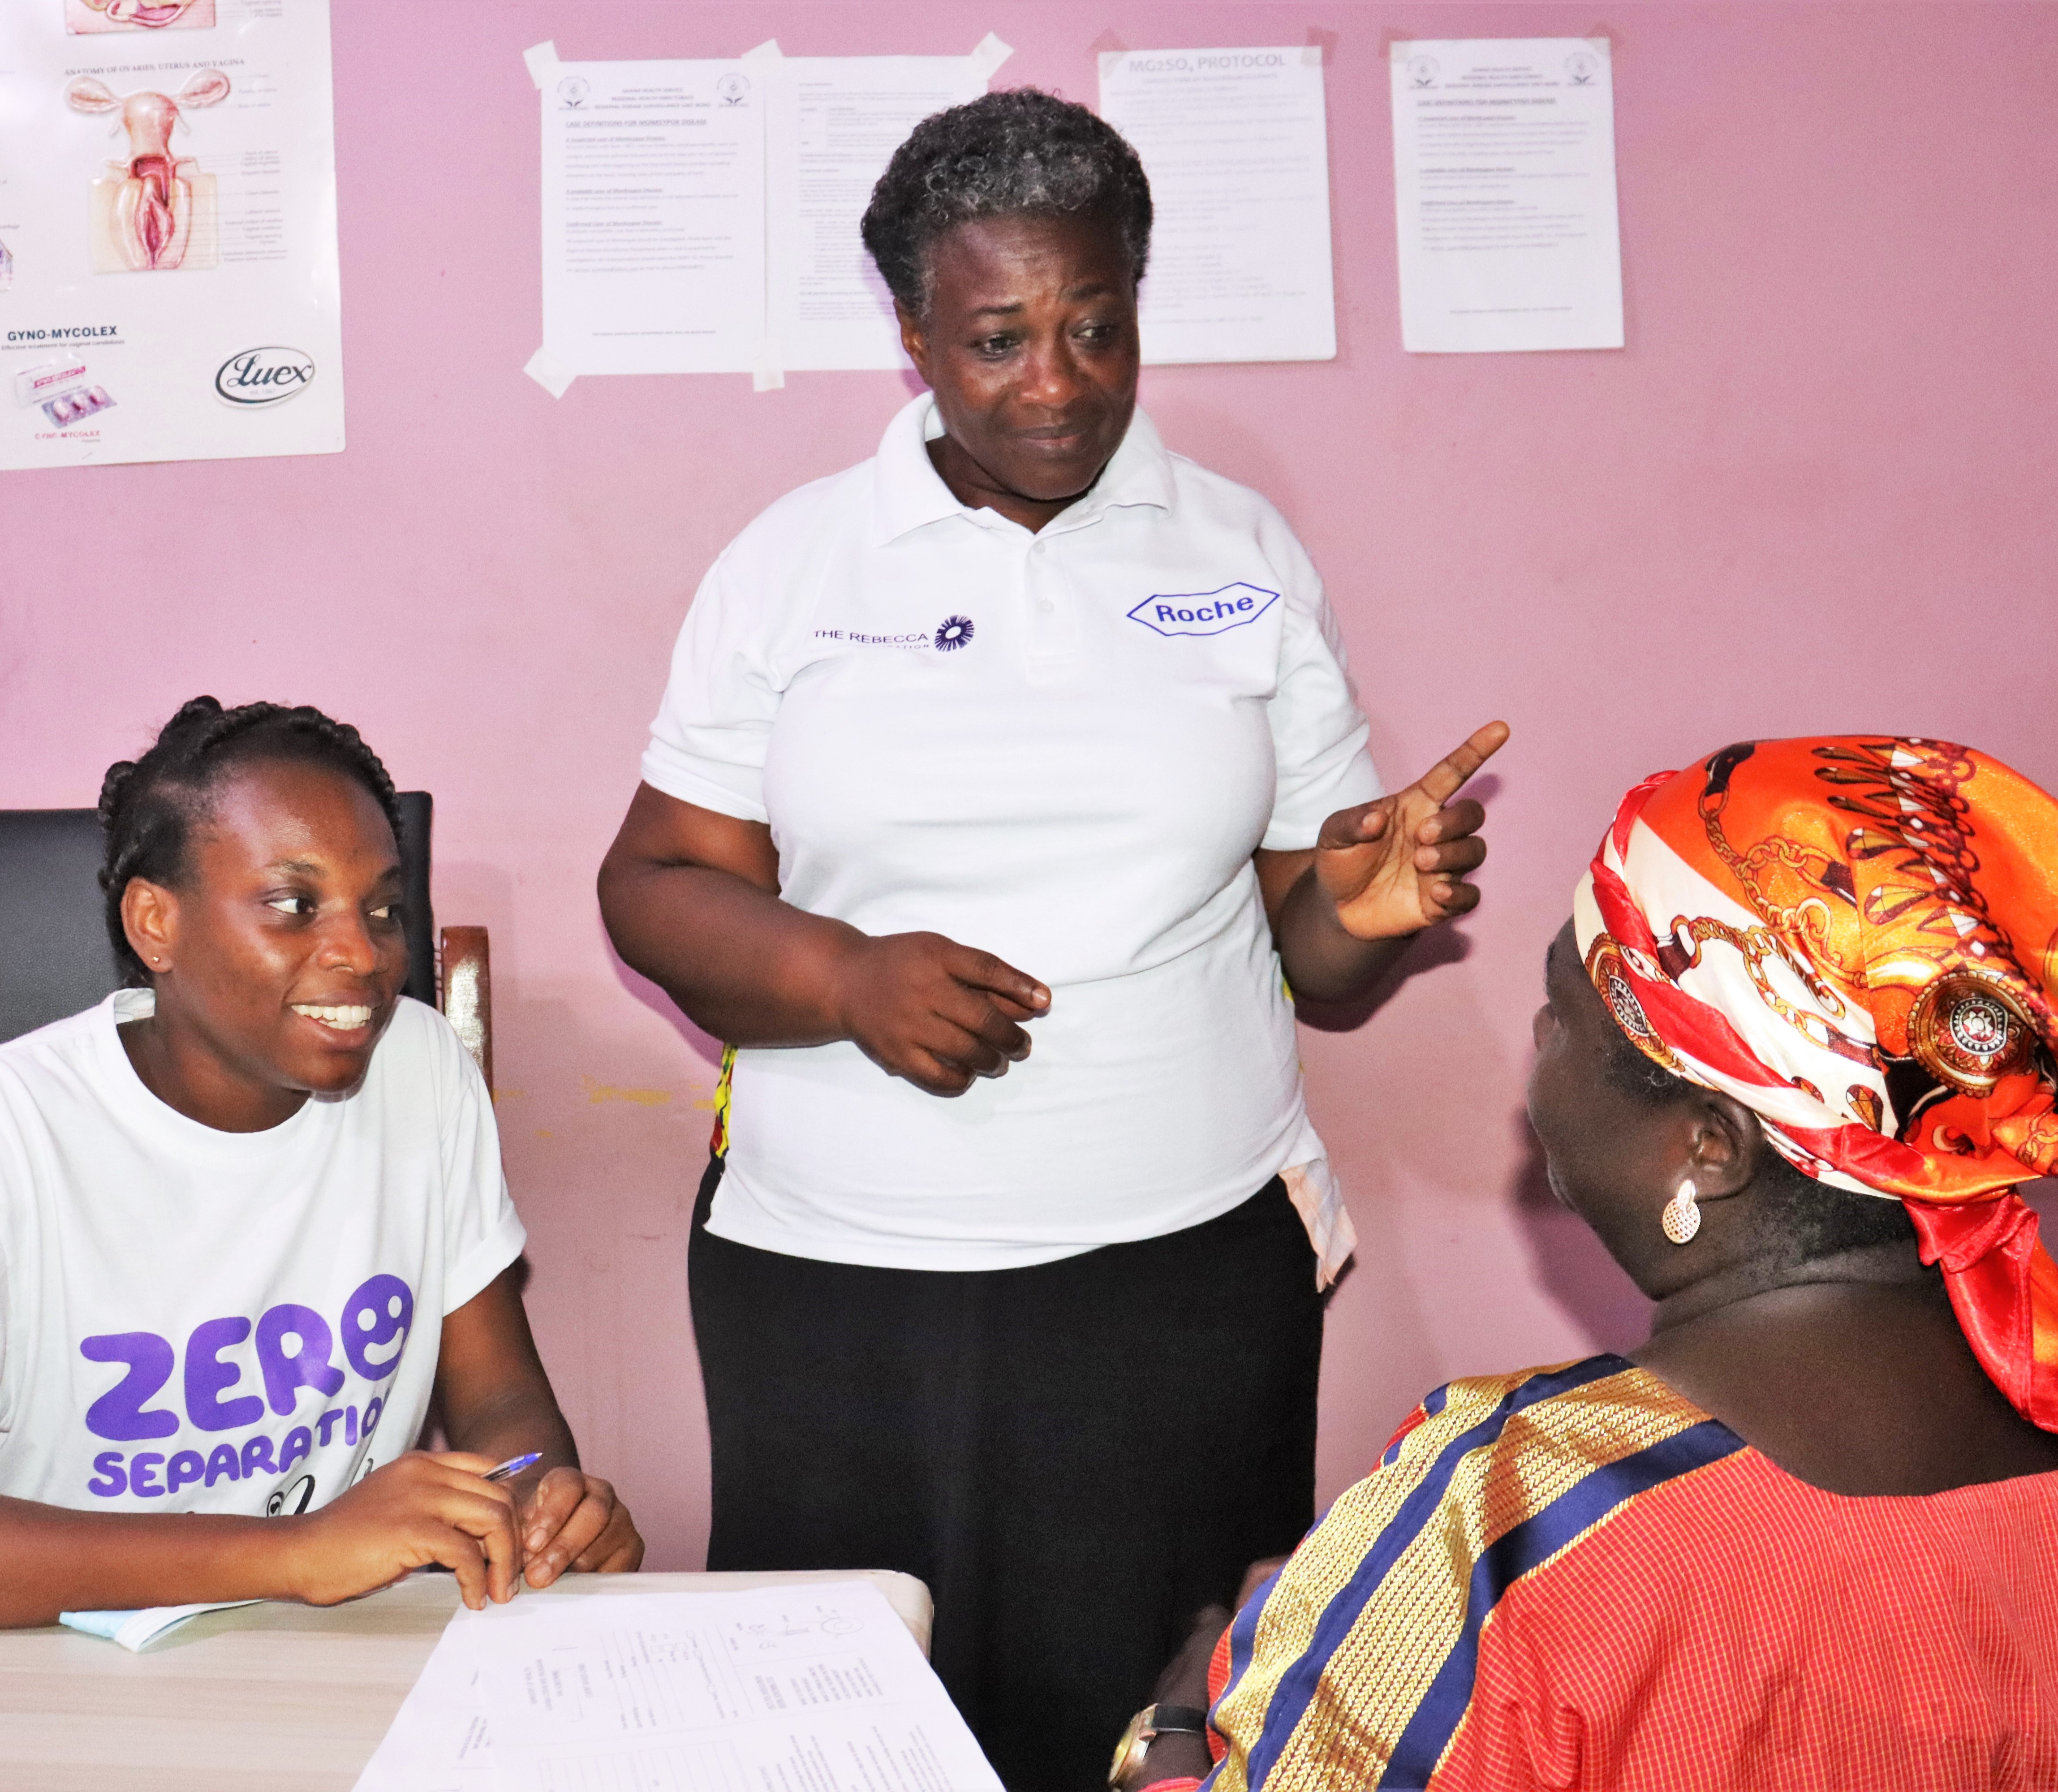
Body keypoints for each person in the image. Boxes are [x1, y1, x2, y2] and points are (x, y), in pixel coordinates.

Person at [596, 90, 1503, 1781]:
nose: (1060, 381)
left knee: (1162, 1724)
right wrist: (843, 980)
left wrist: (1366, 911)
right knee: (855, 1737)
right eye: (1000, 337)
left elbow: (1316, 946)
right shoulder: (791, 567)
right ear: (918, 339)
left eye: (1097, 326)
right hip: (839, 1292)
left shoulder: (1242, 554)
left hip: (1180, 1282)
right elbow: (651, 886)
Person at [1110, 736, 2058, 1792]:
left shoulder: (1511, 1518)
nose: (1537, 1050)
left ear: (1708, 1144)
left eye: (1564, 1015)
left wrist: (1167, 1740)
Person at [0, 698, 642, 1626]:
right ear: (155, 924)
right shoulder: (1, 1133)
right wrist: (296, 1553)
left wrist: (532, 1506)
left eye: (383, 907)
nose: (361, 951)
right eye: (294, 904)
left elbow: (500, 1394)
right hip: (45, 1656)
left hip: (329, 1647)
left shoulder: (419, 1070)